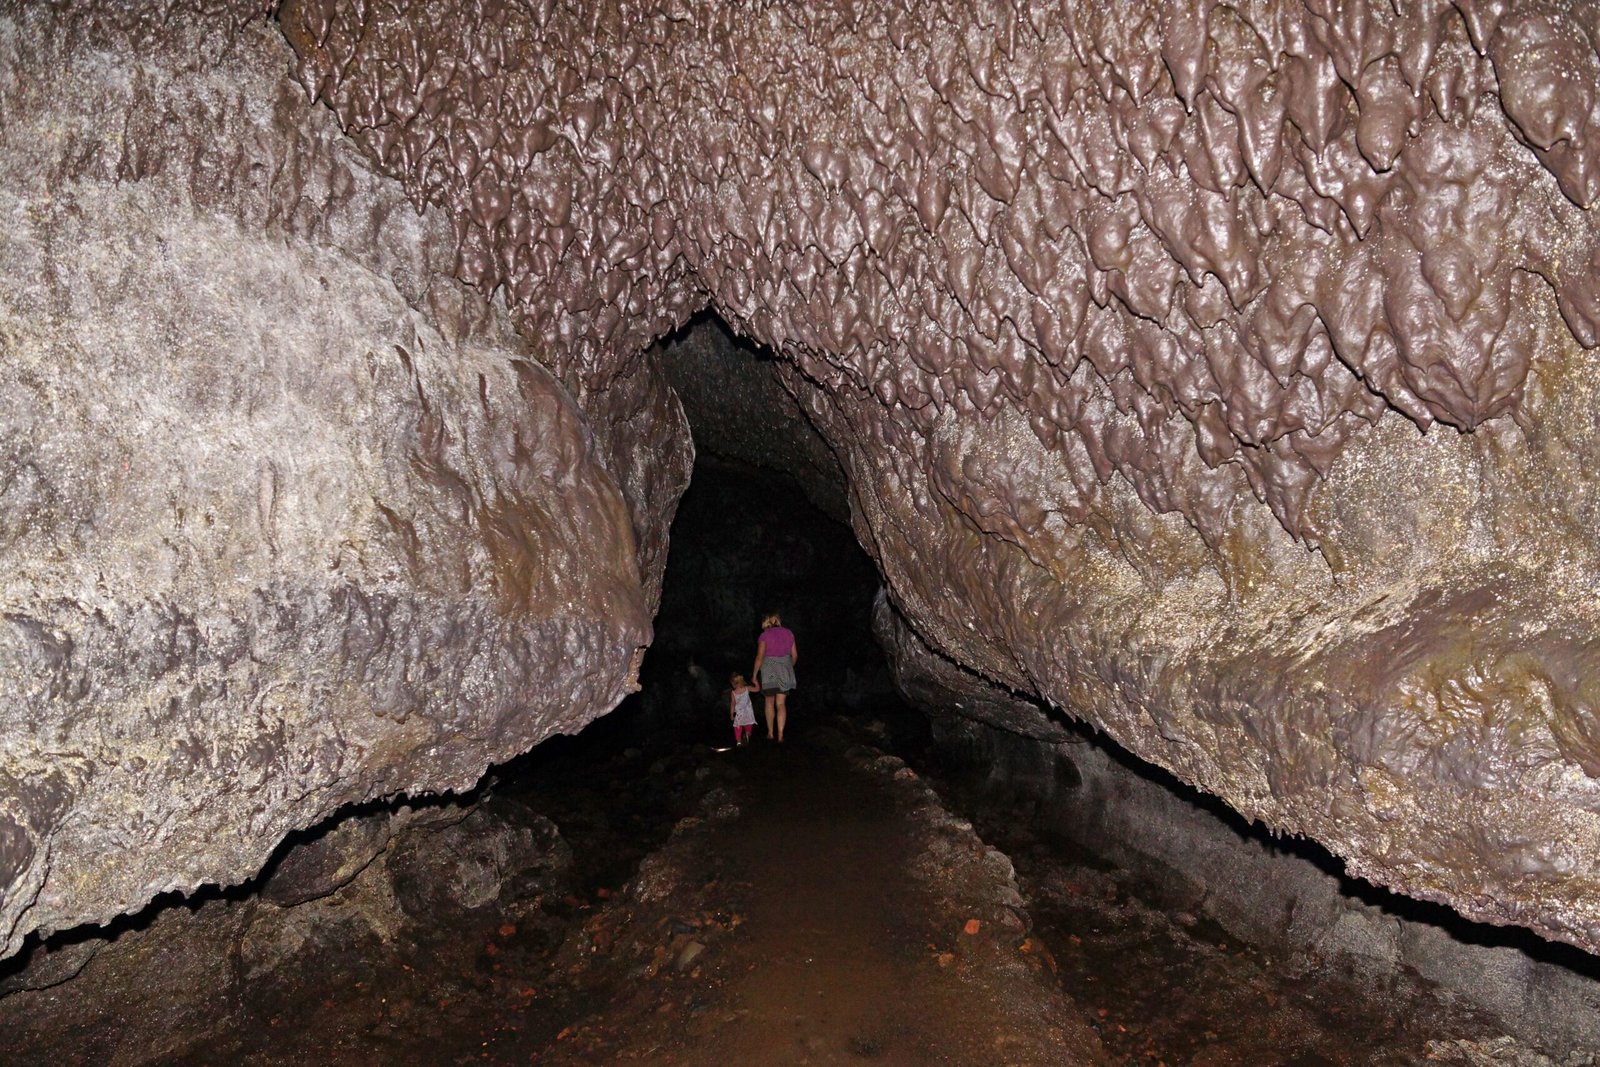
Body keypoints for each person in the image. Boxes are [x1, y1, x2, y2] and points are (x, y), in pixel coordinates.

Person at [752, 612, 797, 742]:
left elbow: (760, 657)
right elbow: (794, 655)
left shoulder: (765, 635)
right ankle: (780, 735)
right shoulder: (789, 633)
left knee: (769, 701)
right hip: (784, 669)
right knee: (781, 703)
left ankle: (771, 733)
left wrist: (754, 675)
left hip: (769, 669)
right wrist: (788, 667)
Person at [729, 673, 757, 746]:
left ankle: (738, 741)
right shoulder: (747, 688)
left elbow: (733, 704)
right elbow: (757, 689)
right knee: (748, 724)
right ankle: (747, 734)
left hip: (739, 713)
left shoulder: (733, 692)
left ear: (733, 683)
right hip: (748, 712)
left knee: (737, 726)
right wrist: (756, 682)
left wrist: (731, 714)